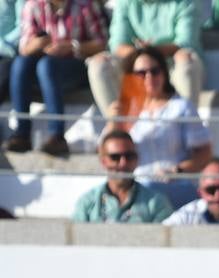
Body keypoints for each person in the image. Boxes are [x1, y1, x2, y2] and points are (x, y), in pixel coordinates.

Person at [5, 0, 106, 156]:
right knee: (20, 64)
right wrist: (39, 44)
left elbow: (102, 43)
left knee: (46, 65)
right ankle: (21, 133)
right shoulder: (33, 6)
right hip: (43, 68)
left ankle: (57, 135)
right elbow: (24, 48)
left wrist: (72, 46)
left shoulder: (85, 5)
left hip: (76, 66)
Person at [119, 46, 211, 208]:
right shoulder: (125, 110)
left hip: (176, 185)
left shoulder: (182, 106)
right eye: (141, 73)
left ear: (164, 73)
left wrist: (178, 171)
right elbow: (107, 154)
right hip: (138, 189)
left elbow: (204, 153)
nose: (149, 77)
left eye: (155, 71)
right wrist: (115, 121)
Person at [87, 0, 203, 120]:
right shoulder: (125, 2)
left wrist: (148, 51)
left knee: (186, 59)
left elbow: (186, 43)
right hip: (136, 64)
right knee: (99, 63)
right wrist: (142, 53)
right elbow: (117, 45)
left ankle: (187, 126)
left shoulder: (185, 2)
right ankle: (117, 129)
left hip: (171, 65)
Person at [71, 130, 173, 223]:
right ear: (103, 162)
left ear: (137, 159)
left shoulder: (157, 203)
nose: (123, 163)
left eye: (129, 156)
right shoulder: (87, 203)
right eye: (115, 157)